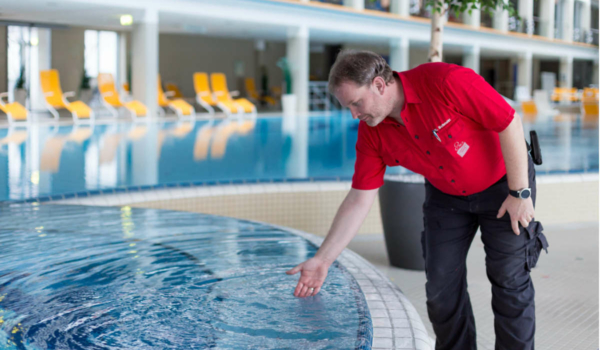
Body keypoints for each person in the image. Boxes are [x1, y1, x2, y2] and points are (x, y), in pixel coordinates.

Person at [286, 50, 548, 350]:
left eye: (356, 103)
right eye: (348, 107)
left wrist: (520, 193)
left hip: (504, 186)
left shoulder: (445, 81)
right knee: (440, 289)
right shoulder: (372, 132)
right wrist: (323, 259)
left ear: (380, 85)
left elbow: (509, 122)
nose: (354, 115)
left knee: (509, 280)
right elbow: (360, 198)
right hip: (446, 195)